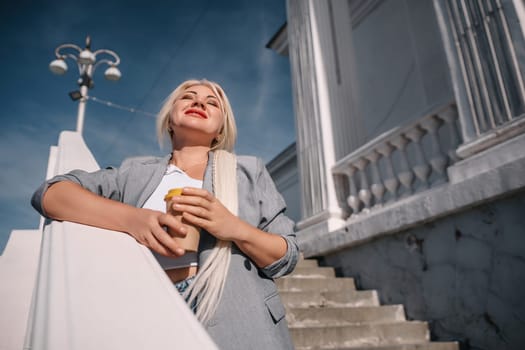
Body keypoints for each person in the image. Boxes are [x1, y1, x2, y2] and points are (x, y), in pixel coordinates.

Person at [31, 79, 299, 349]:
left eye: (212, 102)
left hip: (240, 319)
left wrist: (234, 228)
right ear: (170, 120)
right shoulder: (133, 172)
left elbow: (287, 256)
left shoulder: (249, 171)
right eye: (188, 97)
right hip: (151, 311)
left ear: (220, 130)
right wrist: (133, 219)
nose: (198, 103)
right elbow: (52, 194)